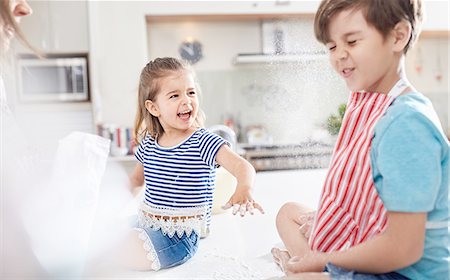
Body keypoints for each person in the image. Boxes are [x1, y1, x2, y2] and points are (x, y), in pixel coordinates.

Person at [272, 0, 449, 279]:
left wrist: (326, 260)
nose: (338, 55)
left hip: (404, 272)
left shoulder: (407, 124)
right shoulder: (372, 101)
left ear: (398, 36)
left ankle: (301, 264)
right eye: (331, 47)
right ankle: (305, 262)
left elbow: (404, 249)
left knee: (295, 279)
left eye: (352, 42)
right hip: (374, 236)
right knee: (289, 213)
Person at [110, 57, 264, 271]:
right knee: (103, 233)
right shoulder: (149, 143)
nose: (187, 100)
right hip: (147, 222)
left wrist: (244, 188)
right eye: (174, 95)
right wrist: (109, 202)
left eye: (190, 92)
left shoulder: (202, 141)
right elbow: (136, 179)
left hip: (179, 238)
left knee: (115, 248)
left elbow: (242, 166)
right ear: (154, 107)